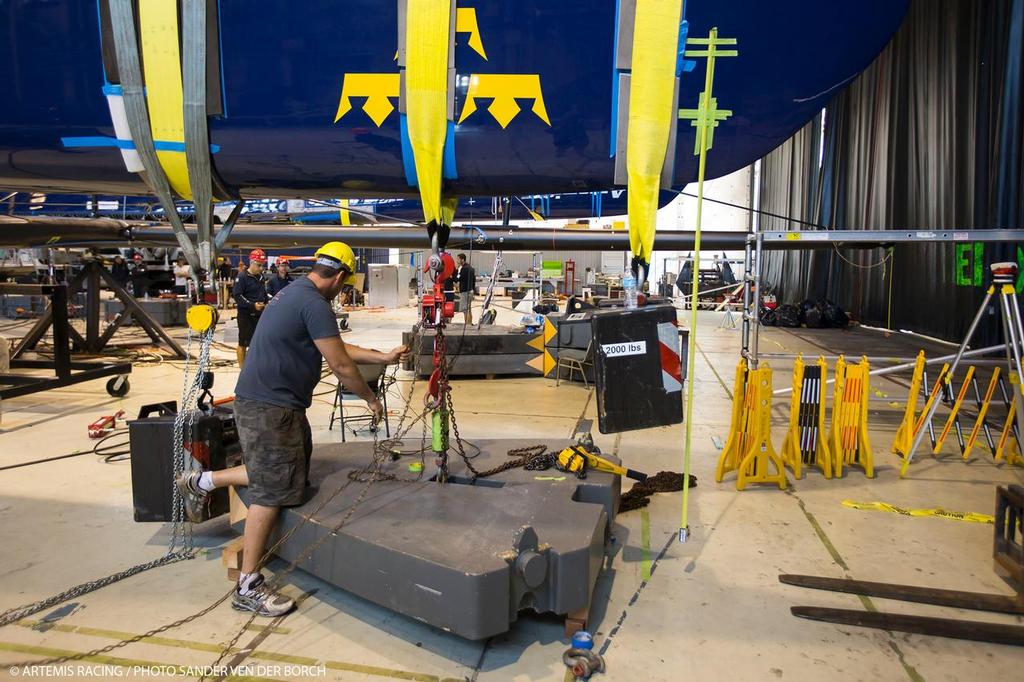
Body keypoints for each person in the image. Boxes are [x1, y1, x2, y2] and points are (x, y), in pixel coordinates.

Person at [176, 241, 409, 617]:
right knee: (272, 493)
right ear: (341, 275)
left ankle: (203, 481)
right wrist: (371, 398)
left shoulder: (294, 293)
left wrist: (382, 356)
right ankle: (248, 584)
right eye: (346, 282)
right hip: (272, 407)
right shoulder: (314, 302)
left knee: (281, 473)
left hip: (265, 402)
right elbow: (341, 364)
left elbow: (335, 345)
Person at [232, 249, 269, 367]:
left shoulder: (261, 277)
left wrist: (268, 302)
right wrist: (252, 306)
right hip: (246, 315)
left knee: (258, 342)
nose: (261, 268)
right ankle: (242, 370)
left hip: (259, 315)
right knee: (243, 343)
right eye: (259, 265)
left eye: (262, 265)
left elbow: (263, 293)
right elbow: (237, 296)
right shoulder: (242, 277)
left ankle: (255, 366)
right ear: (251, 262)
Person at [456, 253, 476, 325]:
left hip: (464, 292)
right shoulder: (471, 268)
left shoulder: (463, 269)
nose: (457, 261)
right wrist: (473, 290)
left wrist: (456, 270)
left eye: (458, 259)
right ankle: (470, 324)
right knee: (469, 309)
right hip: (470, 291)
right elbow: (474, 281)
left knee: (465, 310)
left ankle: (467, 325)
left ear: (462, 260)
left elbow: (457, 279)